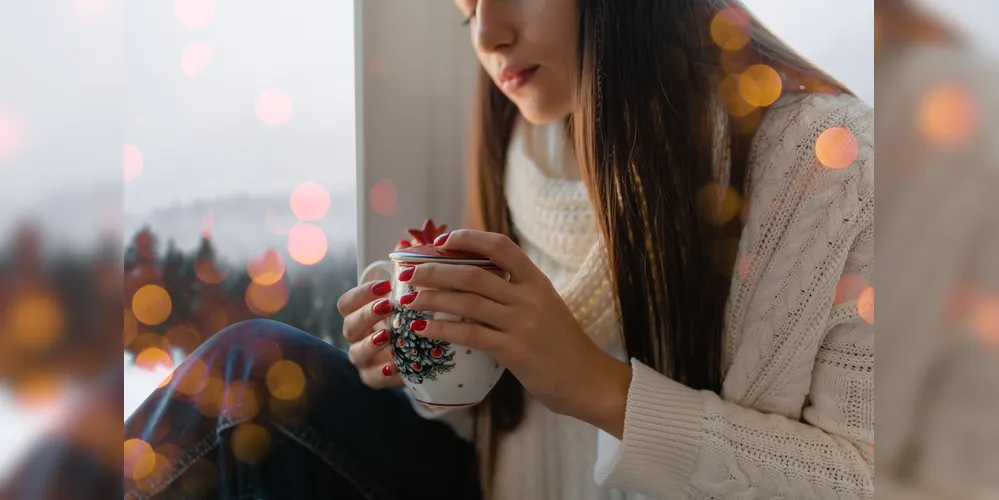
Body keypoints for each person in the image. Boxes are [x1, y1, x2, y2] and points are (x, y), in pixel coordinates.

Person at [124, 0, 874, 498]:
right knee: (253, 370)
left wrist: (598, 388)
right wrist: (431, 356)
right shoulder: (532, 151)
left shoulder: (837, 163)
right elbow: (512, 427)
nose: (486, 37)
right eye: (466, 9)